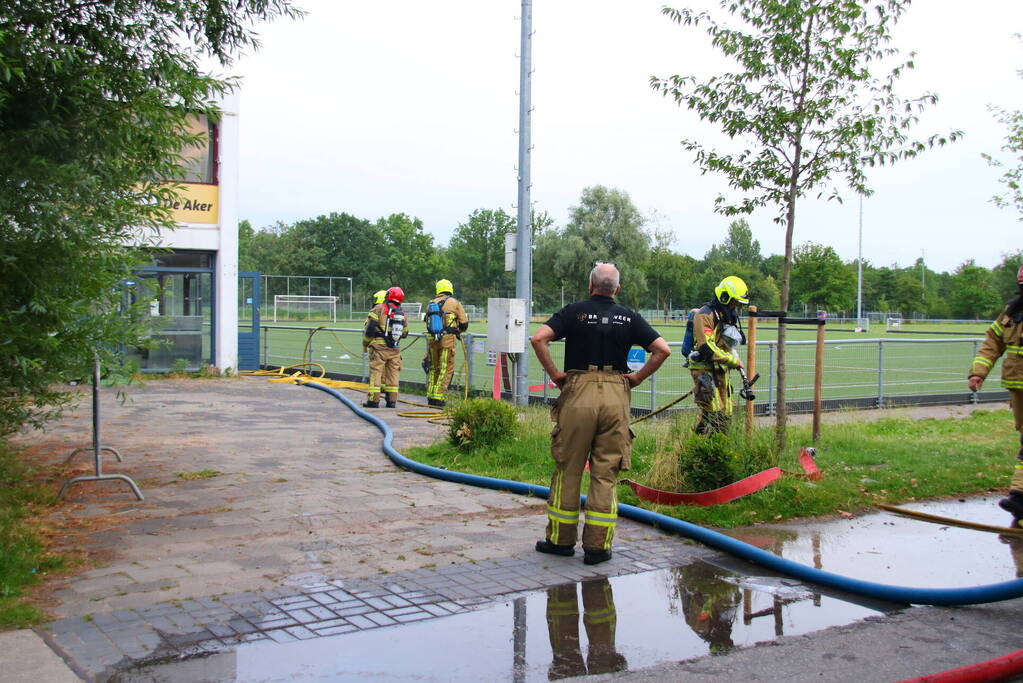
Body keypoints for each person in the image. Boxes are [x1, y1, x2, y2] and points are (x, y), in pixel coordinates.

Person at [531, 262, 671, 565]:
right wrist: (636, 379)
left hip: (577, 390)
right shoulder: (630, 317)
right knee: (605, 474)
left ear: (589, 285)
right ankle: (597, 548)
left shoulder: (574, 311)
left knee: (568, 470)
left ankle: (560, 541)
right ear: (616, 289)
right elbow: (663, 350)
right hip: (616, 394)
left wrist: (556, 374)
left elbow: (538, 338)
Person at [968, 265, 1023, 525]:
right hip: (1019, 387)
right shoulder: (1013, 312)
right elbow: (993, 342)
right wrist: (978, 373)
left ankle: (1020, 497)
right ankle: (1020, 498)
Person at [688, 276, 749, 435]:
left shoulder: (726, 316)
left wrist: (731, 357)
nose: (735, 306)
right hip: (703, 369)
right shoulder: (705, 315)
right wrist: (732, 360)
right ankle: (697, 447)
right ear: (724, 296)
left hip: (721, 369)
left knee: (725, 413)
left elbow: (729, 343)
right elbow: (707, 347)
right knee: (712, 411)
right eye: (734, 302)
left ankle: (719, 449)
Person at [424, 278, 469, 407]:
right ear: (450, 289)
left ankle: (431, 395)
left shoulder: (430, 303)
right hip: (447, 341)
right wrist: (457, 330)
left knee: (433, 368)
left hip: (432, 341)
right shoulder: (454, 303)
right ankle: (439, 396)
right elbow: (464, 323)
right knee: (445, 368)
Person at [362, 286, 408, 408]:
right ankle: (391, 401)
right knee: (393, 374)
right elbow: (405, 332)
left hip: (378, 347)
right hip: (394, 348)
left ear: (388, 296)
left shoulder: (378, 308)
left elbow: (370, 328)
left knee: (376, 372)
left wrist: (365, 343)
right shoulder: (401, 313)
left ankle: (373, 401)